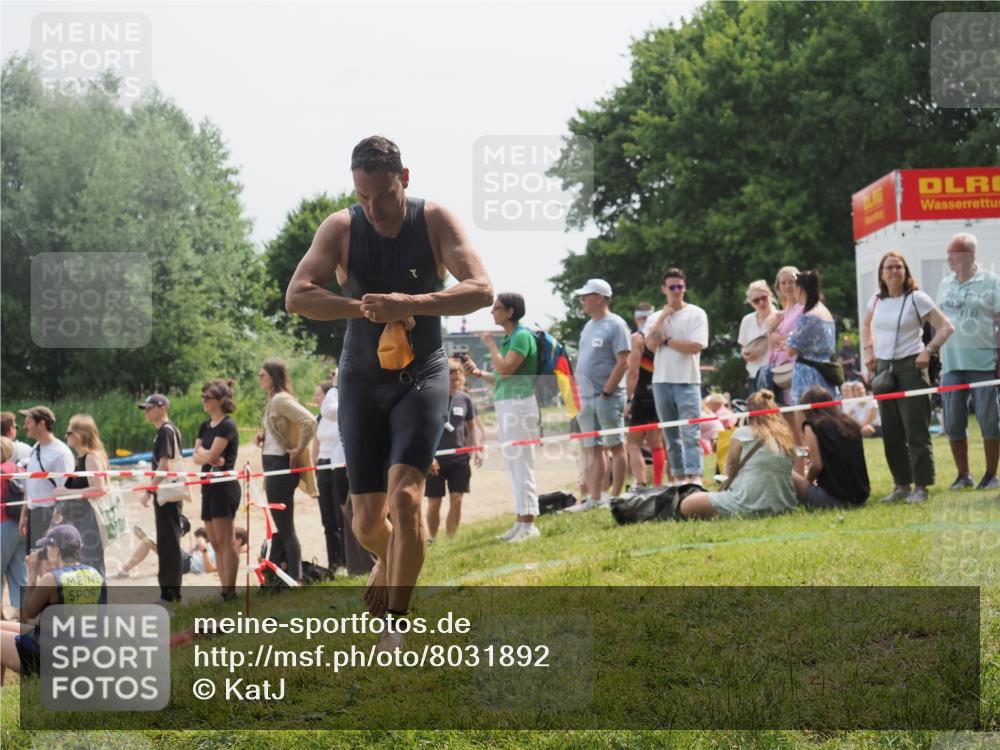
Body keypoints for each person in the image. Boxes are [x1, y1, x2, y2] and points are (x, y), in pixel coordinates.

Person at [286, 135, 493, 629]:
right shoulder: (341, 227)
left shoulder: (434, 220)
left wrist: (409, 304)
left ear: (404, 178)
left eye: (383, 196)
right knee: (364, 523)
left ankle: (396, 624)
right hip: (361, 377)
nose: (374, 209)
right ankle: (392, 561)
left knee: (405, 499)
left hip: (422, 373)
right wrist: (361, 307)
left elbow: (481, 289)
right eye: (363, 198)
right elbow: (298, 295)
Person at [863, 251, 954, 503]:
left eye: (899, 267)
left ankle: (922, 487)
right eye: (889, 268)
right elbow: (866, 324)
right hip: (884, 369)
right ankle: (901, 485)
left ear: (906, 272)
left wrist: (928, 350)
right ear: (881, 273)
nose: (894, 271)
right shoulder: (876, 300)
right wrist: (869, 350)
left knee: (915, 429)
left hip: (911, 367)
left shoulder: (917, 298)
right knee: (890, 430)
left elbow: (946, 326)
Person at [464, 293, 541, 542]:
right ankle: (521, 521)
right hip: (508, 404)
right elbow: (499, 376)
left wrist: (490, 344)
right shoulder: (511, 337)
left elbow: (506, 370)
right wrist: (477, 372)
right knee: (513, 465)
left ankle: (529, 524)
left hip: (520, 405)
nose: (492, 312)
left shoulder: (521, 336)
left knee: (522, 464)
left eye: (496, 308)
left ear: (510, 312)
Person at [935, 232, 1000, 490]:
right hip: (951, 364)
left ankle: (991, 474)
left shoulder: (991, 282)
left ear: (970, 255)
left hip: (983, 362)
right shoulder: (945, 284)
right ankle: (963, 475)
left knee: (989, 420)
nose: (948, 257)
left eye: (953, 252)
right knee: (952, 421)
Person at [0, 525, 106, 676]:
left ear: (56, 550)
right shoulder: (95, 574)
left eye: (46, 547)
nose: (45, 552)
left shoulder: (52, 579)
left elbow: (28, 613)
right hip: (81, 650)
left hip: (52, 656)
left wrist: (32, 573)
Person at [678, 390, 798, 519]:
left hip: (747, 503)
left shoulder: (743, 433)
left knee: (687, 504)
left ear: (748, 413)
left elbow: (730, 470)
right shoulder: (786, 436)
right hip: (784, 505)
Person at [644, 267, 709, 485]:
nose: (676, 291)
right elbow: (651, 344)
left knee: (691, 432)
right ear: (664, 289)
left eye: (680, 287)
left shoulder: (697, 313)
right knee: (670, 436)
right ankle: (680, 478)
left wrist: (668, 341)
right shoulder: (654, 317)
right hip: (661, 381)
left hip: (688, 380)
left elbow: (696, 346)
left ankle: (695, 477)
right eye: (672, 287)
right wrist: (663, 316)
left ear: (685, 287)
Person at [255, 358, 318, 584]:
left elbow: (309, 421)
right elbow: (279, 428)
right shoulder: (273, 400)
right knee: (281, 526)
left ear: (274, 376)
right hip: (273, 465)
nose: (259, 378)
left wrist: (298, 448)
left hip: (280, 466)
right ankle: (283, 574)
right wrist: (264, 436)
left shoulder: (281, 399)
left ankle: (295, 577)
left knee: (285, 527)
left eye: (262, 374)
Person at [570, 278, 631, 509]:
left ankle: (615, 497)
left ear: (600, 298)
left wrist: (607, 391)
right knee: (593, 448)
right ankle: (595, 498)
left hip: (608, 397)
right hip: (586, 398)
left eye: (586, 296)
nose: (582, 300)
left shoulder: (616, 325)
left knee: (615, 446)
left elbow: (623, 361)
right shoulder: (588, 326)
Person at [314, 371, 374, 577]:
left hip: (354, 464)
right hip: (340, 464)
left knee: (356, 515)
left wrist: (338, 385)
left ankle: (369, 562)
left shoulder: (355, 398)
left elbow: (331, 409)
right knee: (348, 515)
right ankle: (359, 564)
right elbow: (328, 411)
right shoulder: (344, 399)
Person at [192, 378, 241, 600]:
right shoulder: (205, 425)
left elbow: (210, 455)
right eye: (203, 397)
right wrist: (206, 454)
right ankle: (224, 589)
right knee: (215, 542)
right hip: (207, 485)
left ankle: (229, 590)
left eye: (207, 397)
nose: (204, 400)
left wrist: (206, 454)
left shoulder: (227, 425)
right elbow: (197, 456)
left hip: (223, 486)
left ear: (220, 401)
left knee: (226, 541)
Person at [426, 358, 485, 540]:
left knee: (457, 499)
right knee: (434, 503)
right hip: (436, 460)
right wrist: (429, 457)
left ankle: (451, 538)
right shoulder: (432, 398)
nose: (456, 380)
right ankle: (433, 538)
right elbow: (424, 430)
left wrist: (476, 450)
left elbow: (472, 427)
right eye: (452, 377)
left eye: (459, 376)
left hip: (459, 458)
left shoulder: (465, 399)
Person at [137, 394, 186, 602]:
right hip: (167, 493)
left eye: (150, 408)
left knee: (168, 544)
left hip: (167, 493)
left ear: (163, 407)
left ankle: (170, 593)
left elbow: (164, 466)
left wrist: (149, 490)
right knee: (167, 541)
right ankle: (169, 591)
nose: (146, 411)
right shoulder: (165, 430)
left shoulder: (166, 430)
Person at [792, 386, 870, 509]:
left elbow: (817, 465)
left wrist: (806, 482)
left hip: (833, 499)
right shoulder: (849, 423)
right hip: (860, 496)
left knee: (789, 474)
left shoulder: (812, 425)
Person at [52, 415, 108, 575]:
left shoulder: (91, 457)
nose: (66, 436)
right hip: (80, 518)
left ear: (81, 434)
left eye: (69, 432)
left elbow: (99, 489)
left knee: (92, 564)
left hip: (90, 519)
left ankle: (99, 599)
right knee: (85, 564)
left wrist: (67, 492)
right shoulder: (81, 458)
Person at [17, 407, 75, 549]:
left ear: (41, 424)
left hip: (49, 514)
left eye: (28, 422)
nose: (25, 427)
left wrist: (54, 525)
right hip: (33, 513)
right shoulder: (36, 447)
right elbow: (30, 483)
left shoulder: (61, 454)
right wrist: (24, 514)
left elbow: (65, 493)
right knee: (32, 562)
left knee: (47, 565)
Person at [625, 303, 666, 488]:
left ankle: (641, 484)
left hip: (642, 394)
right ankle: (658, 484)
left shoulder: (637, 338)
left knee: (633, 444)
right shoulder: (660, 336)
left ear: (636, 318)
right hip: (658, 391)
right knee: (657, 443)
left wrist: (628, 398)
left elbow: (633, 372)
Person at [786, 270, 841, 407]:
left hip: (808, 374)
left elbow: (791, 349)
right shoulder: (824, 311)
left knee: (808, 416)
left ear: (800, 289)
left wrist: (789, 338)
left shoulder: (808, 316)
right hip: (825, 371)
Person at [313, 377, 346, 571]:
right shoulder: (320, 418)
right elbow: (315, 444)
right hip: (323, 466)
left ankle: (345, 559)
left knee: (339, 515)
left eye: (318, 394)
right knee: (327, 518)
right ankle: (334, 562)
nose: (315, 398)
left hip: (337, 465)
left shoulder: (337, 413)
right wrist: (315, 463)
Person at [767, 266, 804, 405]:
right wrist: (770, 331)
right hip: (779, 370)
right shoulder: (780, 314)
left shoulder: (803, 309)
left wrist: (780, 338)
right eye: (783, 283)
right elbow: (771, 347)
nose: (787, 286)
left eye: (791, 281)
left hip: (797, 367)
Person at [0, 437, 27, 621]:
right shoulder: (19, 468)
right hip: (20, 523)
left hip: (2, 524)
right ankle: (22, 614)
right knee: (19, 572)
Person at [738, 280, 775, 396]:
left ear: (770, 296)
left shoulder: (780, 317)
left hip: (774, 373)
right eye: (756, 300)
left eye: (764, 298)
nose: (761, 303)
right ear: (750, 303)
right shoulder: (747, 320)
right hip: (753, 374)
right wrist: (745, 354)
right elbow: (744, 345)